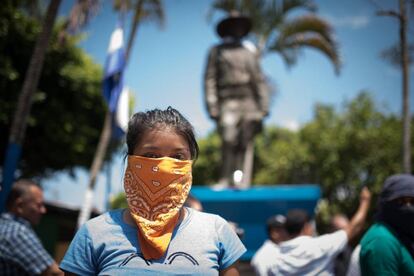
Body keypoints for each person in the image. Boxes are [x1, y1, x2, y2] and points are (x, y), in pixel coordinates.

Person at [60, 107, 246, 275]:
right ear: (131, 161)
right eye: (151, 156)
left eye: (178, 156)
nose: (164, 167)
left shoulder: (216, 230)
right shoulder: (94, 233)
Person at [203, 11, 270, 186]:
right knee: (228, 137)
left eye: (240, 26)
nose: (237, 29)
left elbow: (259, 80)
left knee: (246, 142)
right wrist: (212, 105)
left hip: (249, 101)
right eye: (234, 25)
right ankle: (225, 178)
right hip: (228, 100)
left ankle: (242, 181)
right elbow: (209, 79)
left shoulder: (249, 53)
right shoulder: (216, 52)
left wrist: (264, 105)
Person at [268, 187, 371, 276]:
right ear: (306, 227)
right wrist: (365, 201)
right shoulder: (321, 246)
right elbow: (354, 228)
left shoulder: (275, 262)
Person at [0, 179, 62, 275]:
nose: (43, 210)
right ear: (19, 206)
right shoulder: (18, 233)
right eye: (39, 205)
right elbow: (53, 273)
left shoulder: (4, 226)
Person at [359, 174, 414, 275]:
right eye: (400, 201)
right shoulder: (382, 240)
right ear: (385, 203)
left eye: (413, 201)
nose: (408, 207)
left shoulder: (403, 237)